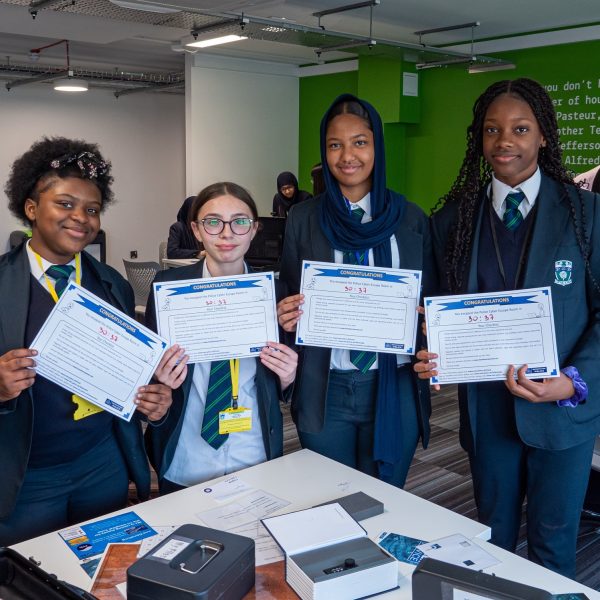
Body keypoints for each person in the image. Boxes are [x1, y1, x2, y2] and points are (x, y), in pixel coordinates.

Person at [414, 78, 600, 578]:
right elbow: (431, 311)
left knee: (554, 547)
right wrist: (429, 346)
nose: (504, 142)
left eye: (520, 128)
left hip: (561, 411)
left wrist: (574, 380)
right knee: (490, 542)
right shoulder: (452, 219)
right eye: (492, 130)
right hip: (486, 408)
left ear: (543, 136)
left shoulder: (588, 214)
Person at [0, 137, 175, 546]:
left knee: (104, 570)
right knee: (29, 579)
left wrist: (155, 400)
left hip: (103, 463)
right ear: (31, 208)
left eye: (92, 209)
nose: (80, 217)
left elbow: (133, 374)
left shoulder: (111, 283)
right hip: (28, 474)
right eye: (65, 203)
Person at [277, 94, 433, 488]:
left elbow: (430, 297)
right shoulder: (303, 218)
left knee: (386, 498)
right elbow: (290, 288)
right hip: (326, 386)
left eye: (360, 142)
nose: (348, 155)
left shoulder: (410, 218)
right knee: (330, 499)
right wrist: (285, 314)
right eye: (335, 144)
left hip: (393, 386)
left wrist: (431, 321)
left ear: (377, 146)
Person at [145, 182, 298, 494]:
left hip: (253, 451)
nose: (226, 234)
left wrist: (288, 376)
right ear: (196, 230)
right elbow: (149, 380)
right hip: (186, 453)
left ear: (254, 230)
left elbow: (286, 391)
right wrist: (159, 381)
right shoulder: (167, 289)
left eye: (239, 222)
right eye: (213, 222)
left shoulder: (276, 294)